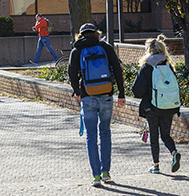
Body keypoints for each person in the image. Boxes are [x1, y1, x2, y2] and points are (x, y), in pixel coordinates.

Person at [68, 23, 126, 187]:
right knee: (105, 133)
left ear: (80, 35)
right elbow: (117, 69)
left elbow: (72, 74)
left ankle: (96, 176)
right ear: (96, 33)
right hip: (106, 95)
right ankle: (106, 171)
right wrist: (121, 94)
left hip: (88, 96)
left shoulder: (77, 50)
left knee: (91, 136)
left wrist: (78, 91)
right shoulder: (105, 47)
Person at [131, 35, 182, 174]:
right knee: (165, 134)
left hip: (152, 107)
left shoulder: (147, 67)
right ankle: (174, 152)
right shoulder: (168, 65)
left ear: (149, 50)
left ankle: (156, 165)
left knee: (154, 136)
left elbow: (137, 90)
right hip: (169, 106)